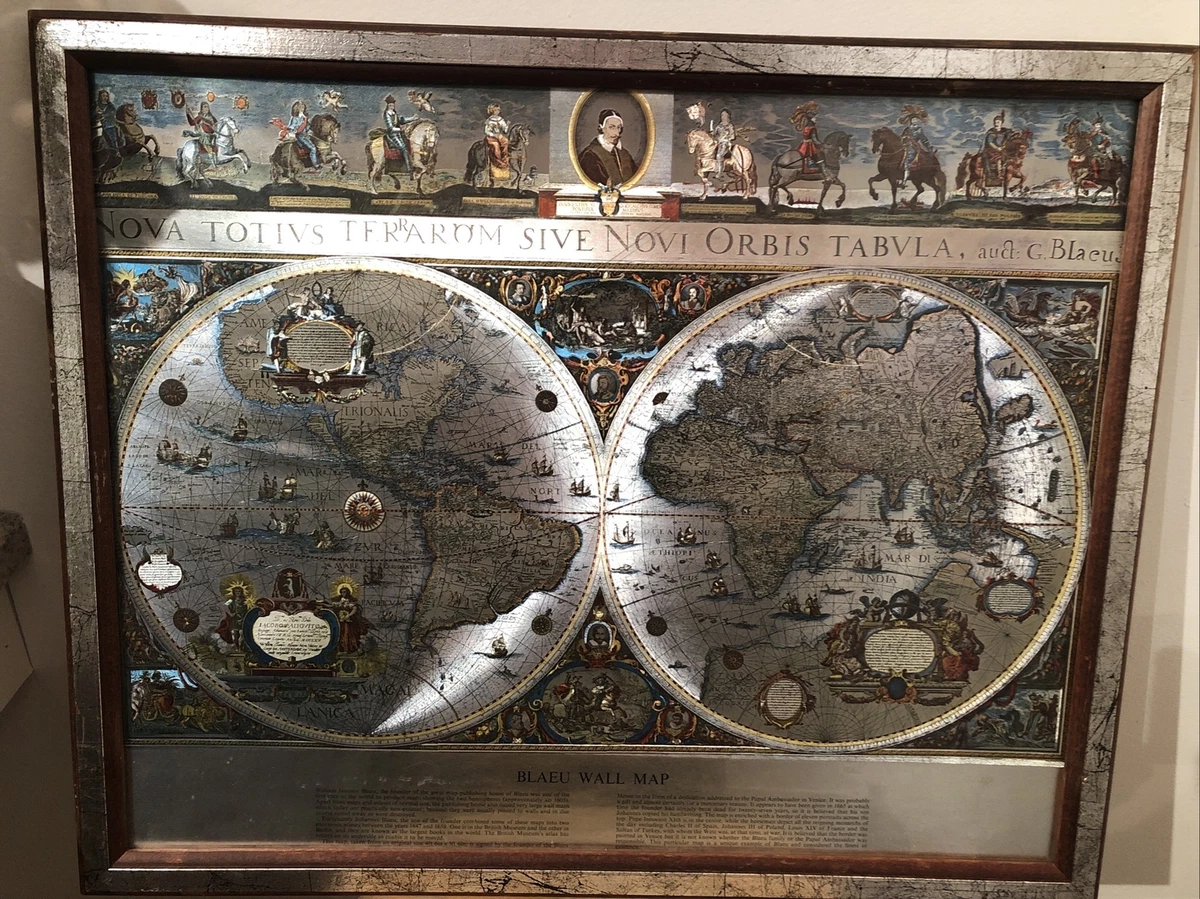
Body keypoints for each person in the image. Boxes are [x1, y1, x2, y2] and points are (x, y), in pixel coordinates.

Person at [577, 108, 639, 187]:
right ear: (601, 128)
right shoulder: (589, 155)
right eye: (611, 127)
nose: (616, 133)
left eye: (619, 127)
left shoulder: (625, 154)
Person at [898, 104, 935, 185]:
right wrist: (903, 139)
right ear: (910, 121)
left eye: (916, 119)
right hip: (905, 146)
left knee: (907, 163)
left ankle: (904, 182)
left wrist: (929, 148)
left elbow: (924, 140)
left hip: (913, 147)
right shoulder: (907, 129)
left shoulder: (919, 130)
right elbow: (901, 138)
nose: (914, 121)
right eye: (913, 119)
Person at [285, 100, 320, 172]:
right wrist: (296, 127)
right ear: (296, 109)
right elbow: (292, 127)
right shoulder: (294, 118)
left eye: (303, 107)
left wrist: (309, 129)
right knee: (313, 148)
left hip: (306, 135)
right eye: (300, 107)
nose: (302, 109)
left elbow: (307, 127)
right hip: (300, 136)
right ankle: (315, 165)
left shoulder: (304, 118)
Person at [382, 94, 413, 171]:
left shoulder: (394, 113)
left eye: (393, 105)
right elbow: (390, 128)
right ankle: (408, 168)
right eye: (390, 105)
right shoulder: (387, 114)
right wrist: (400, 129)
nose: (392, 106)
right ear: (388, 106)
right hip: (392, 135)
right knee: (403, 148)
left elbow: (402, 120)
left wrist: (412, 118)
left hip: (399, 133)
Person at [793, 101, 822, 174]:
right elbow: (815, 139)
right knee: (818, 155)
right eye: (815, 117)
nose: (816, 119)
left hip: (804, 144)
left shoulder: (806, 127)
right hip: (810, 145)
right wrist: (822, 145)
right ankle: (815, 168)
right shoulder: (812, 128)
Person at [982, 112, 1012, 183]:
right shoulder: (991, 132)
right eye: (995, 122)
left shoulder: (1005, 132)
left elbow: (1007, 139)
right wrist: (997, 148)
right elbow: (990, 142)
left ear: (1001, 123)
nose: (996, 124)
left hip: (1002, 149)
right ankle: (999, 174)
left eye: (998, 122)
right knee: (999, 158)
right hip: (992, 150)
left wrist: (1004, 145)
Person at [484, 102, 510, 173]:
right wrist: (493, 135)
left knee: (506, 141)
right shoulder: (489, 120)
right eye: (495, 110)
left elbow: (505, 130)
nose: (497, 112)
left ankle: (504, 159)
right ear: (492, 111)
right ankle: (498, 162)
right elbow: (486, 131)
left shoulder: (500, 119)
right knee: (496, 146)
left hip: (499, 135)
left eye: (498, 110)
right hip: (491, 137)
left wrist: (507, 125)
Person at [711, 108, 736, 177]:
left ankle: (720, 172)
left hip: (725, 144)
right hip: (718, 143)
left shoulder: (730, 126)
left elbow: (733, 136)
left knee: (719, 155)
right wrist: (712, 132)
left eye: (725, 115)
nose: (723, 117)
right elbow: (714, 134)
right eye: (722, 115)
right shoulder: (719, 126)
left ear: (728, 116)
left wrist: (726, 139)